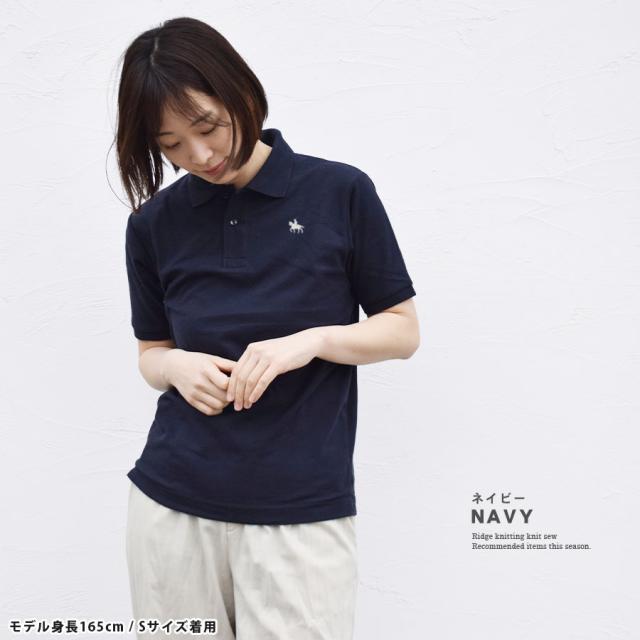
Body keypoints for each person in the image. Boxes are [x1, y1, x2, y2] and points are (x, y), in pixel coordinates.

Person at [116, 16, 419, 640]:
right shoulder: (153, 225)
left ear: (241, 91)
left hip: (299, 509)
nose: (199, 156)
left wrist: (312, 341)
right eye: (172, 145)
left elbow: (401, 331)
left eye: (207, 127)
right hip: (171, 503)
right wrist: (175, 367)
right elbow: (151, 353)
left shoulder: (339, 191)